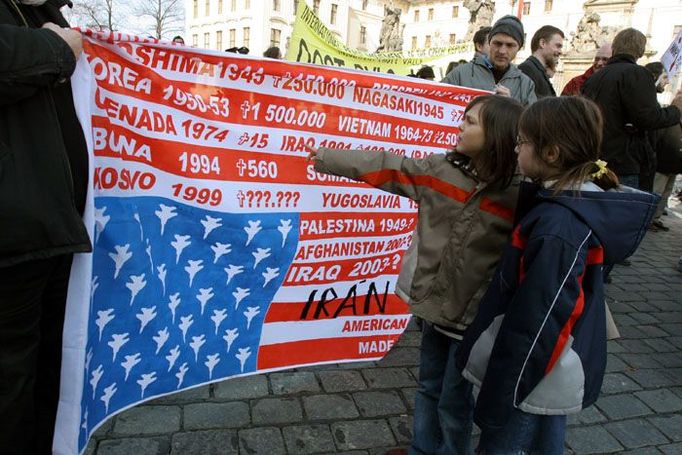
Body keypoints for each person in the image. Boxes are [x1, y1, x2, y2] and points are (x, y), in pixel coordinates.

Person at [307, 95, 524, 455]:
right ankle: (421, 449)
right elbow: (389, 166)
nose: (460, 126)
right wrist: (329, 158)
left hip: (471, 319)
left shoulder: (519, 193)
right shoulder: (441, 170)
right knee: (428, 386)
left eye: (470, 122)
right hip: (431, 308)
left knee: (454, 400)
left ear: (497, 135)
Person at [457, 96, 659, 455]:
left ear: (550, 153)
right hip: (547, 371)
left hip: (531, 377)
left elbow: (538, 321)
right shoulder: (563, 206)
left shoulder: (557, 227)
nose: (516, 149)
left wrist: (501, 393)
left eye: (522, 142)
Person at [0, 0, 92, 454]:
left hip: (55, 233)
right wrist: (56, 50)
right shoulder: (43, 31)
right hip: (12, 241)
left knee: (49, 369)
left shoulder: (40, 12)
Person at [582, 28, 682, 190]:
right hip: (622, 163)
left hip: (595, 159)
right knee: (622, 211)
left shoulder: (594, 77)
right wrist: (675, 110)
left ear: (615, 49)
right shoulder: (637, 74)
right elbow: (648, 118)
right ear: (641, 51)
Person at [443, 15, 536, 105]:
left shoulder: (525, 85)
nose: (502, 51)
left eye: (510, 45)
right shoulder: (460, 74)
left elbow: (531, 120)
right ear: (490, 43)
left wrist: (510, 108)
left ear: (519, 48)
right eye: (497, 43)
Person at [645, 62, 682, 231]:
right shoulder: (666, 114)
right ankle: (647, 219)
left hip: (674, 164)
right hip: (662, 162)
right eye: (665, 77)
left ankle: (656, 218)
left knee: (665, 194)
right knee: (656, 191)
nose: (667, 82)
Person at [519, 25, 564, 98]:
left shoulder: (537, 71)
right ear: (542, 43)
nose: (560, 52)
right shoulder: (527, 69)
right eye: (558, 46)